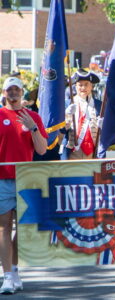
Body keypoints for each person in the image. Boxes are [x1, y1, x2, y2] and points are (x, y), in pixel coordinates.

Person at [0, 77, 48, 294]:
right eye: (9, 90)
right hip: (2, 178)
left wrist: (33, 128)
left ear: (22, 93)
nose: (13, 93)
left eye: (16, 90)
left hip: (26, 178)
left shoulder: (33, 117)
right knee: (3, 227)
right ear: (4, 93)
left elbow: (42, 150)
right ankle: (7, 275)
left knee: (23, 229)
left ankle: (15, 270)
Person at [61, 69, 102, 160]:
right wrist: (66, 115)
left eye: (86, 84)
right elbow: (61, 130)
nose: (83, 88)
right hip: (72, 151)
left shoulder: (99, 105)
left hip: (93, 152)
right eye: (80, 85)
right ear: (75, 87)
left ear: (91, 86)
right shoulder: (67, 104)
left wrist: (104, 126)